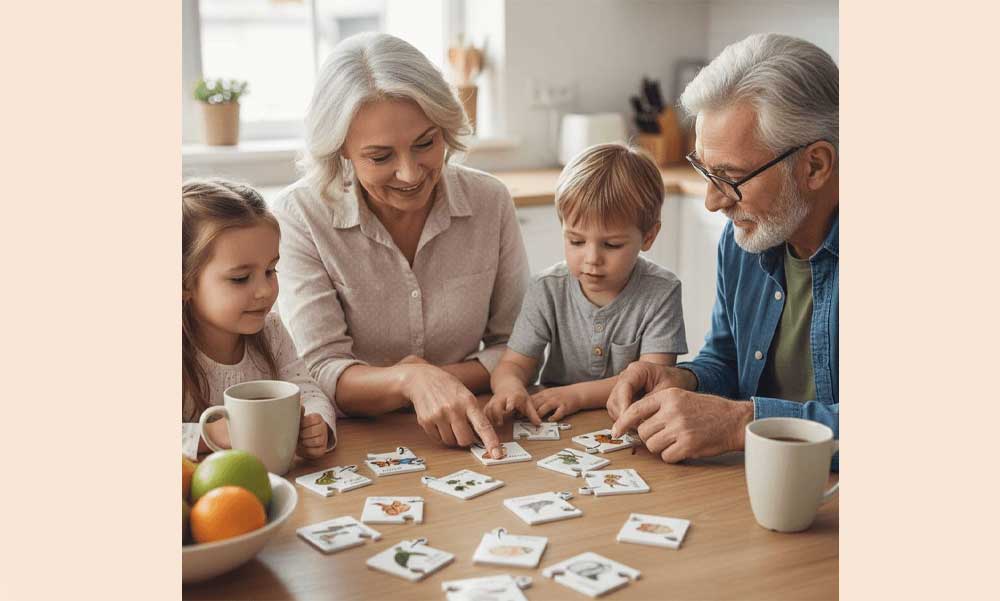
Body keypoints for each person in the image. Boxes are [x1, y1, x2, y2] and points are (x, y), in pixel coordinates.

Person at [272, 33, 530, 458]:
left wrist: (430, 381)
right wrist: (411, 381)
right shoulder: (300, 216)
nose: (410, 174)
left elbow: (518, 345)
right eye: (380, 157)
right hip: (357, 444)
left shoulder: (490, 201)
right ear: (342, 152)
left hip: (475, 431)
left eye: (426, 144)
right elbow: (319, 370)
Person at [608, 33, 840, 470]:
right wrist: (683, 378)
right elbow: (727, 359)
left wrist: (741, 424)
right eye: (704, 171)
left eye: (730, 177)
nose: (713, 201)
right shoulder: (747, 241)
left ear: (815, 166)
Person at [485, 143, 687, 425]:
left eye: (612, 244)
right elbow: (513, 364)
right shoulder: (547, 288)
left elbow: (653, 379)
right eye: (576, 241)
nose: (592, 259)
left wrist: (576, 396)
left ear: (649, 236)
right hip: (554, 420)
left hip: (627, 423)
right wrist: (509, 387)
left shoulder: (662, 292)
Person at [181, 179, 338, 461]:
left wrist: (315, 422)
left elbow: (307, 389)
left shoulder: (272, 331)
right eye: (240, 279)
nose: (266, 291)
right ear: (184, 283)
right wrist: (212, 435)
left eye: (271, 270)